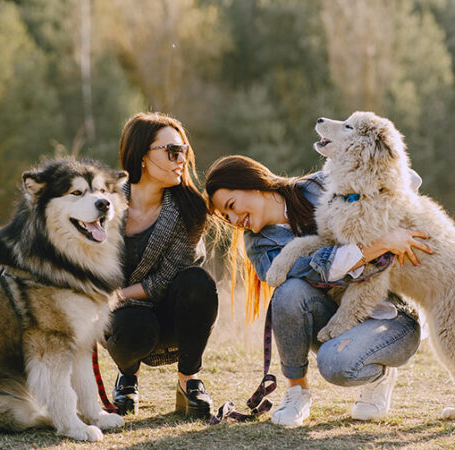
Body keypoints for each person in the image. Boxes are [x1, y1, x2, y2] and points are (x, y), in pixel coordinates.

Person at [205, 155, 431, 426]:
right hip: (336, 316)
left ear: (252, 184)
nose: (233, 219)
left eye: (231, 206)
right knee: (288, 290)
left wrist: (391, 222)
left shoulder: (321, 186)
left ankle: (377, 374)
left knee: (339, 366)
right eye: (226, 217)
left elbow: (409, 178)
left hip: (391, 315)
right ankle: (297, 393)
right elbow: (320, 269)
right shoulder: (258, 244)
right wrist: (381, 243)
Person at [106, 112, 218, 418]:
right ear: (142, 156)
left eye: (183, 151)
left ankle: (189, 381)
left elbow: (167, 279)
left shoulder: (190, 210)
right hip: (124, 321)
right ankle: (127, 377)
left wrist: (116, 296)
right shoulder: (105, 203)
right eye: (172, 152)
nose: (181, 159)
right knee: (133, 327)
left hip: (172, 313)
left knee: (199, 282)